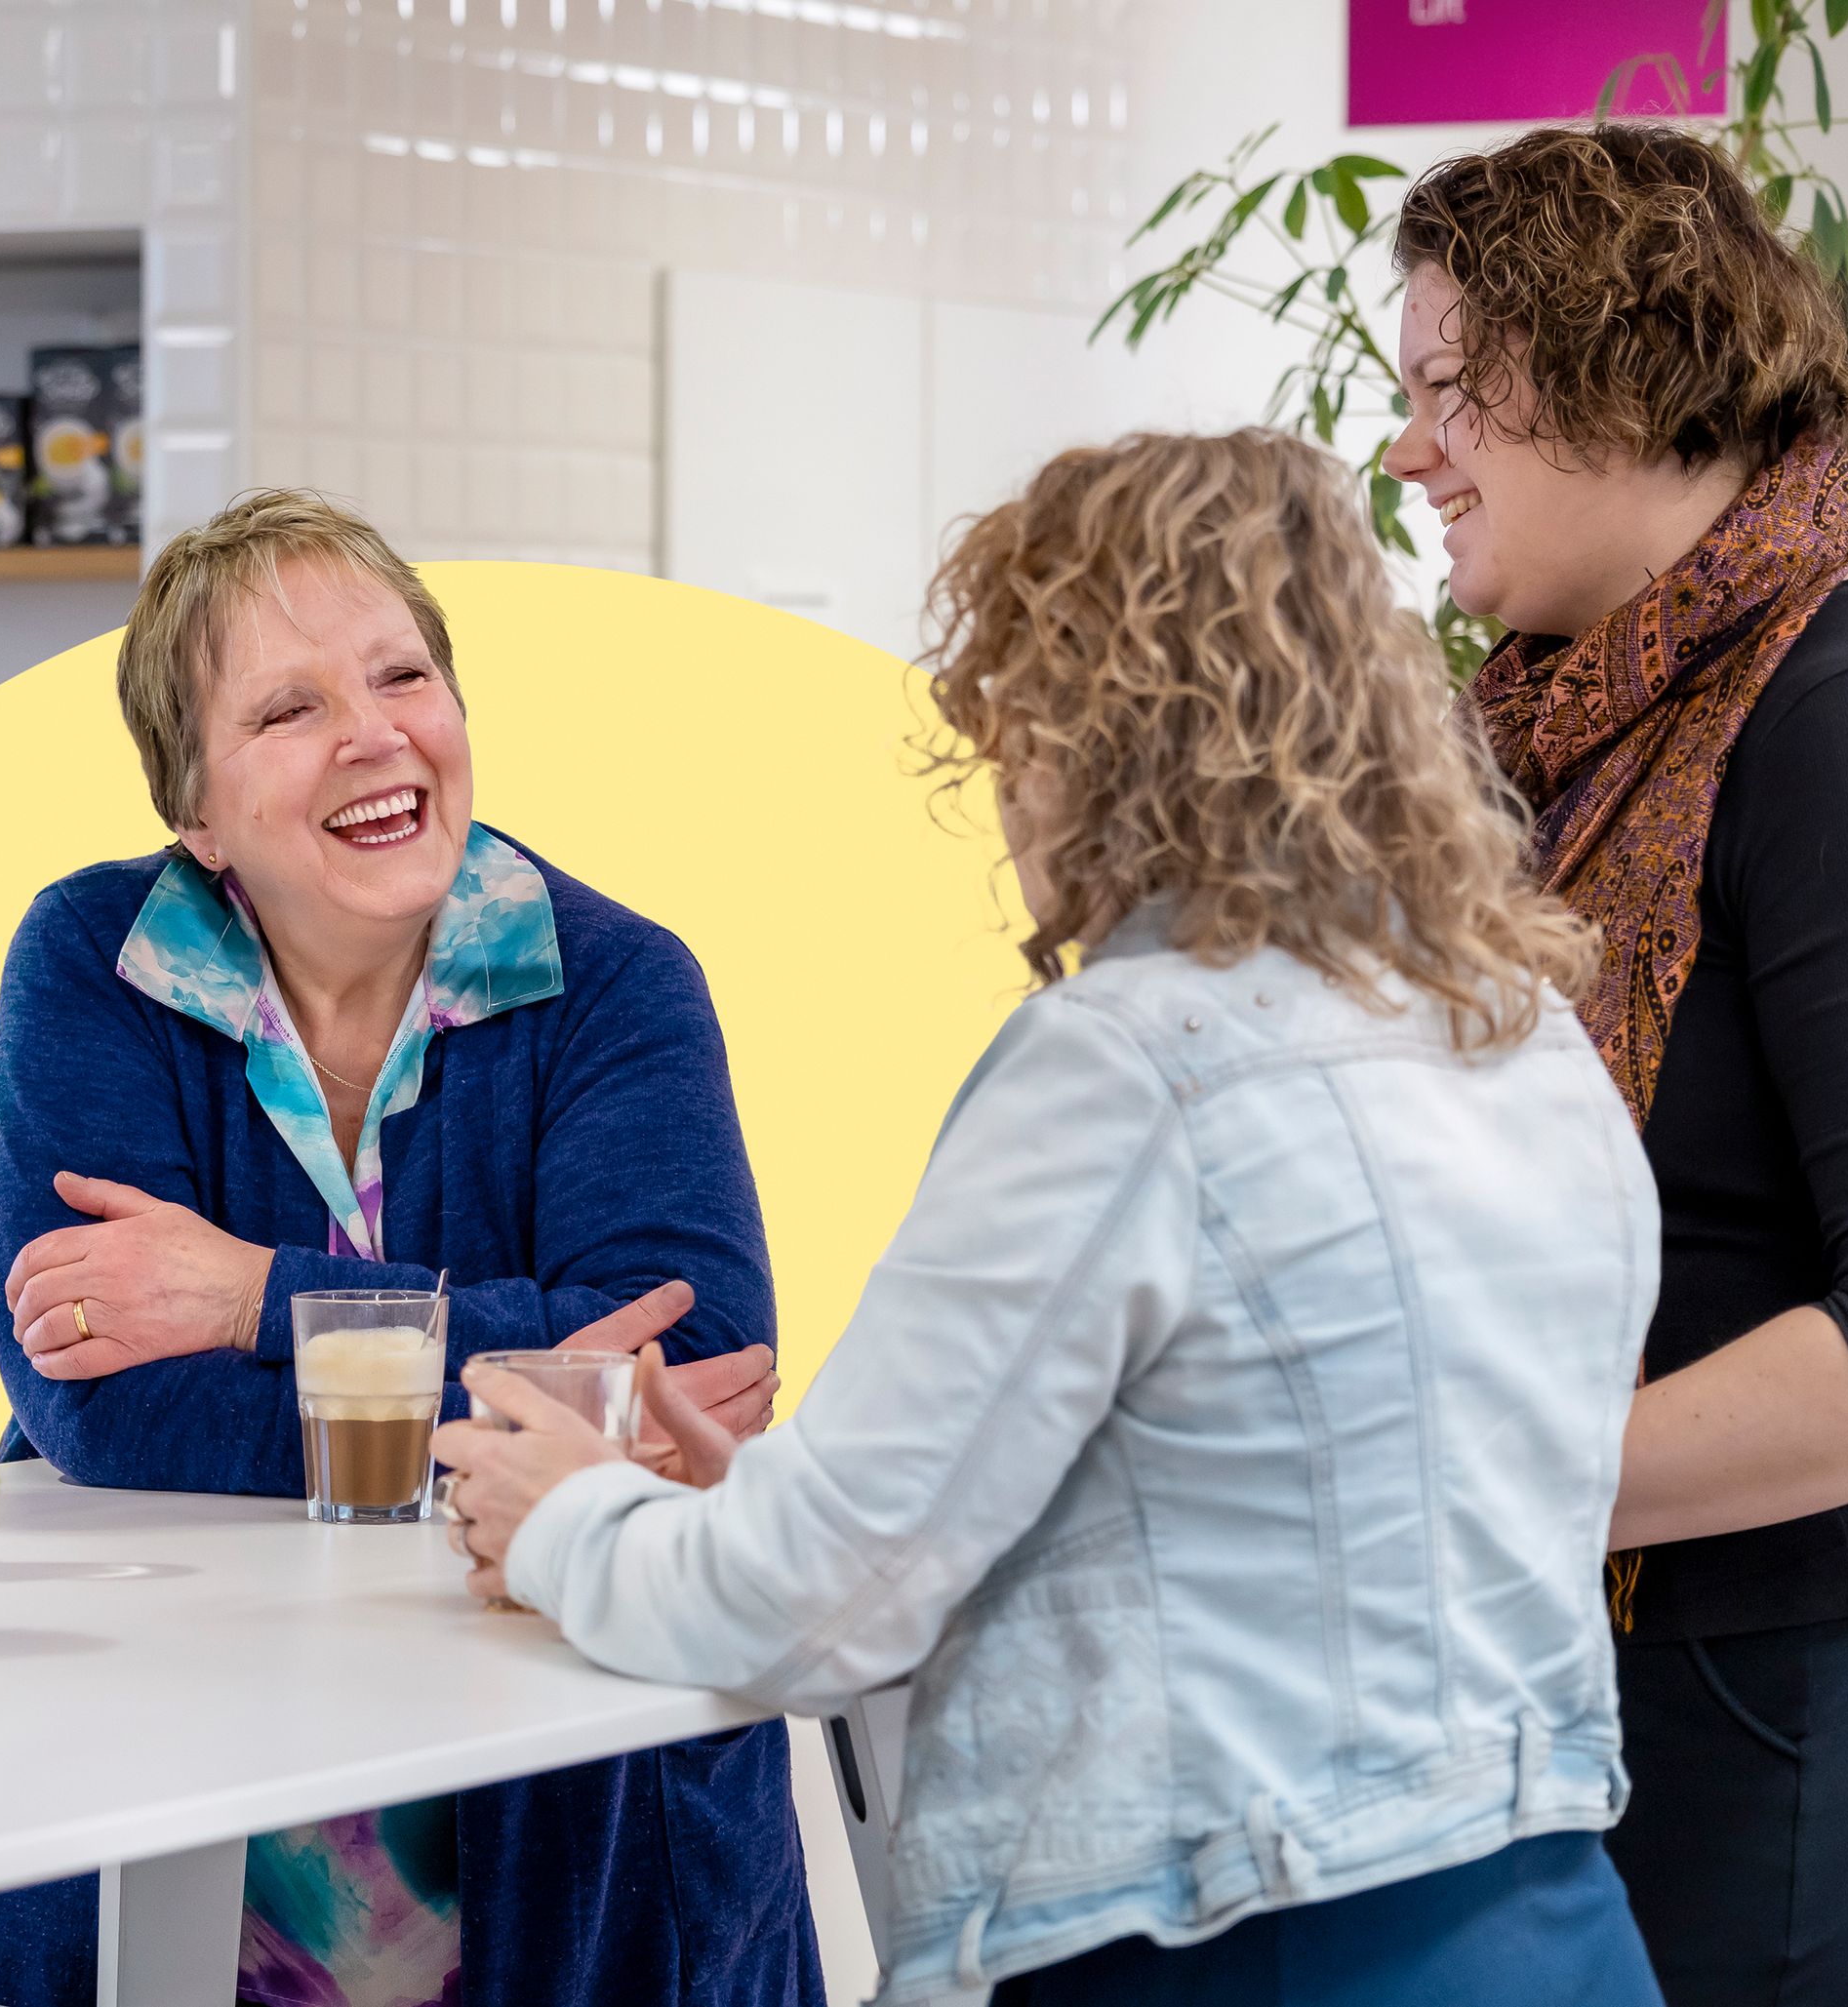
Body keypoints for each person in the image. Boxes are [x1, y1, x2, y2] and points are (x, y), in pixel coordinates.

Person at [435, 429, 1665, 2007]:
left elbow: (805, 1609)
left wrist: (562, 1515)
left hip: (1238, 1951)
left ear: (1097, 728)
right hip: (1546, 1927)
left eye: (1014, 717)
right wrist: (783, 1495)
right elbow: (1271, 1499)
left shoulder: (1135, 1060)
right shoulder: (1513, 1028)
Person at [0, 490, 817, 2007]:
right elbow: (94, 1404)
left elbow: (692, 1378)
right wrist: (527, 1402)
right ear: (197, 809)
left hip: (549, 1792)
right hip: (152, 1757)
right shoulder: (93, 962)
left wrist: (247, 1294)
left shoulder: (622, 985)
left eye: (402, 677)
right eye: (289, 709)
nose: (374, 734)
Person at [1383, 125, 1848, 2005]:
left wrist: (1483, 1481)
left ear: (1633, 373)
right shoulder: (1569, 726)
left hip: (1788, 1727)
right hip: (1591, 1680)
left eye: (1451, 394)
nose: (1407, 452)